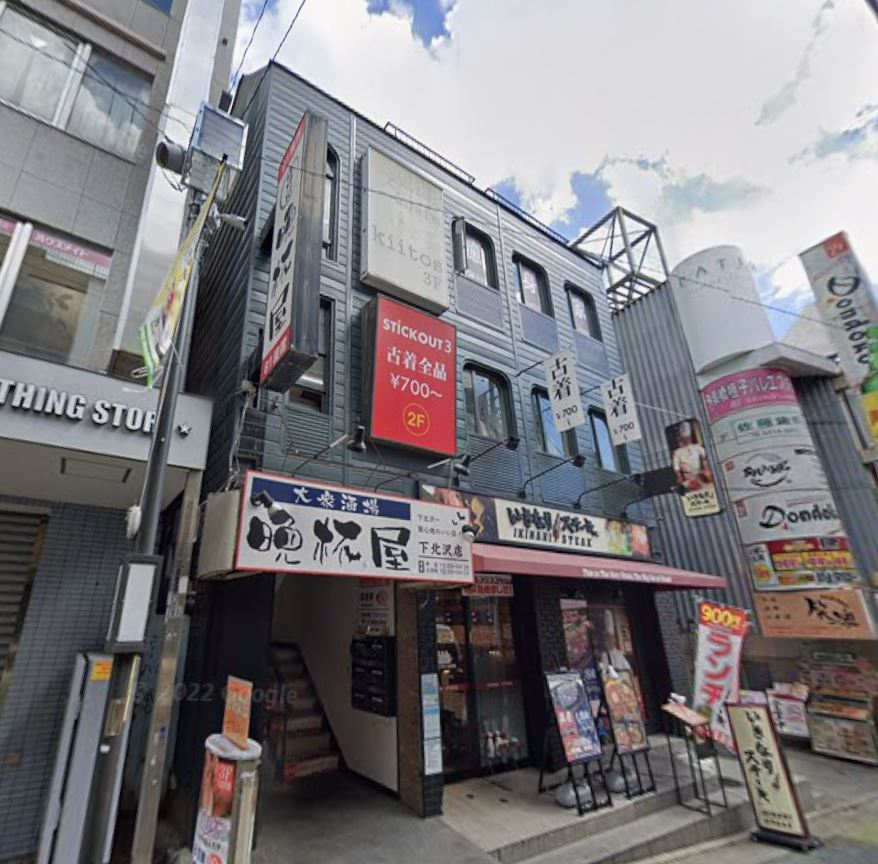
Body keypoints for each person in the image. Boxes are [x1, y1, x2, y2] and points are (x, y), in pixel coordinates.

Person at [672, 421, 713, 491]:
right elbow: (676, 468)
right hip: (689, 478)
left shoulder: (698, 447)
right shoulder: (677, 452)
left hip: (701, 475)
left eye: (688, 437)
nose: (687, 439)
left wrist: (706, 469)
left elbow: (705, 458)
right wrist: (680, 478)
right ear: (681, 438)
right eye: (685, 438)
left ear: (691, 437)